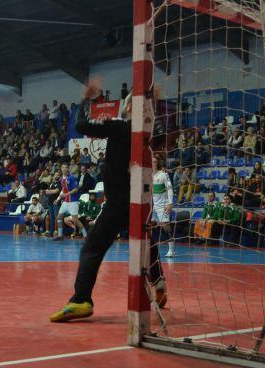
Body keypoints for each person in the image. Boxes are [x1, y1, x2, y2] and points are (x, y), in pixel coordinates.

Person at [50, 79, 166, 323]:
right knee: (145, 240)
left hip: (117, 202)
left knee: (92, 248)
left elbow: (81, 125)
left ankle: (81, 299)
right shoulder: (149, 131)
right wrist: (153, 101)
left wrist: (86, 99)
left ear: (127, 108)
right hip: (140, 201)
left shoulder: (120, 126)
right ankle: (159, 282)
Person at [53, 163, 85, 239]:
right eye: (62, 167)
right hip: (65, 202)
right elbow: (62, 191)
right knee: (59, 217)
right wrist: (57, 199)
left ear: (68, 169)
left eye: (65, 167)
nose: (64, 169)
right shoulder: (61, 179)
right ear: (61, 169)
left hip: (73, 201)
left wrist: (66, 194)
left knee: (75, 220)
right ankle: (60, 235)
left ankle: (86, 236)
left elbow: (76, 189)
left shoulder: (72, 177)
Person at [152, 157, 176, 257]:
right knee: (150, 226)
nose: (153, 163)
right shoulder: (147, 175)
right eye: (151, 161)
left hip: (163, 205)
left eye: (155, 162)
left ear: (157, 164)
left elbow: (170, 189)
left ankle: (171, 250)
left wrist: (170, 203)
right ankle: (150, 247)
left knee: (165, 226)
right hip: (152, 205)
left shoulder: (163, 174)